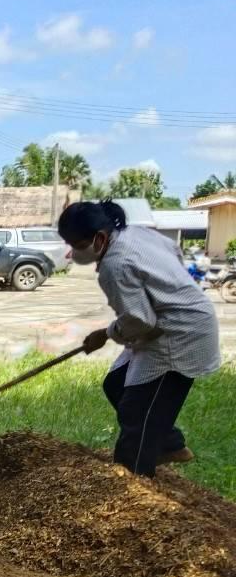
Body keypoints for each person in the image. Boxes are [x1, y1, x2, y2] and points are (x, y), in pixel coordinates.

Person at [57, 200, 220, 477]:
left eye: (77, 244)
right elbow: (173, 254)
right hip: (160, 327)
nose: (73, 253)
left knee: (138, 413)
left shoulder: (114, 264)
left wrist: (106, 333)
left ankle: (133, 481)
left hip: (180, 334)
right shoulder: (135, 233)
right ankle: (169, 445)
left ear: (99, 237)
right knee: (116, 384)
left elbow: (140, 320)